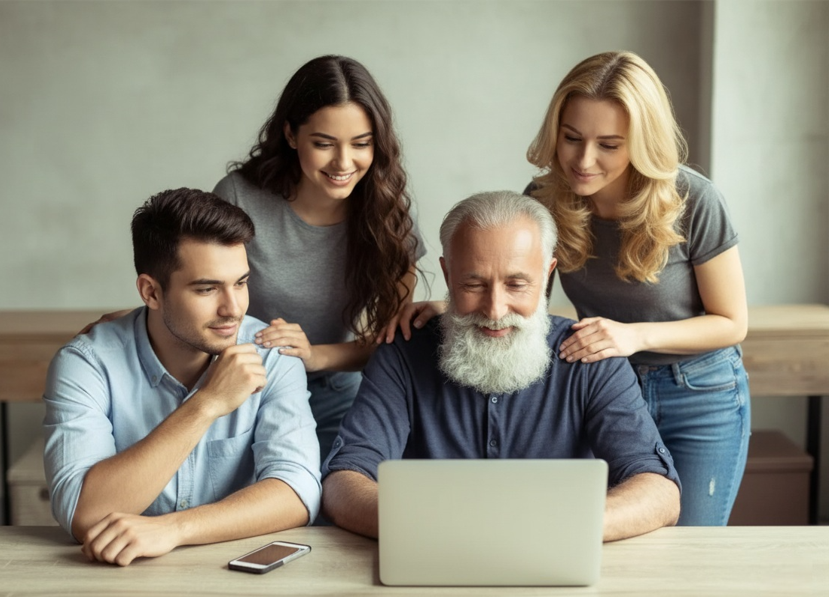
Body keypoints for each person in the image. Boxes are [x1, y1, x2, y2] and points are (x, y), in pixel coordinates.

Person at [385, 52, 750, 527]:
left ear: (641, 142)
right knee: (606, 537)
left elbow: (733, 323)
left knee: (688, 546)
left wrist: (635, 337)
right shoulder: (545, 197)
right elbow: (526, 298)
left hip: (696, 393)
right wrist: (462, 301)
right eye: (571, 138)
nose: (583, 160)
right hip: (604, 385)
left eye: (609, 145)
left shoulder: (695, 200)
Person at [322, 191, 681, 542]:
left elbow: (659, 492)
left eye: (517, 284)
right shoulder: (402, 353)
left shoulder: (593, 360)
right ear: (448, 276)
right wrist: (448, 530)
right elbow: (343, 483)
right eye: (473, 284)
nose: (495, 310)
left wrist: (556, 530)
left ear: (546, 274)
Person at [44, 188, 321, 567]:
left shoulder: (273, 355)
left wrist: (175, 529)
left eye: (240, 283)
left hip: (236, 576)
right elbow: (83, 514)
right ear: (151, 292)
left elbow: (297, 492)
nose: (233, 308)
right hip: (119, 583)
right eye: (207, 289)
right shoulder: (87, 363)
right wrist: (206, 404)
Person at [213, 55, 424, 460]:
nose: (344, 164)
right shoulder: (238, 198)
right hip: (245, 385)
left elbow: (390, 340)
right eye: (324, 144)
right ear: (291, 135)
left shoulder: (389, 213)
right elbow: (201, 298)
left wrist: (313, 355)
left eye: (361, 144)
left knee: (351, 496)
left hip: (335, 392)